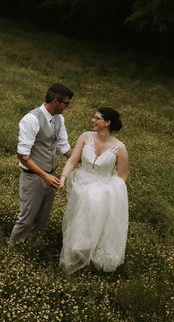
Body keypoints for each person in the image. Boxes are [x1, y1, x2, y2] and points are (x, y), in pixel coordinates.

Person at [59, 106, 128, 273]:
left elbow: (122, 176)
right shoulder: (85, 137)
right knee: (77, 221)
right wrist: (63, 178)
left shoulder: (119, 148)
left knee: (93, 220)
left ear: (107, 122)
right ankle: (74, 257)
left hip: (102, 189)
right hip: (80, 185)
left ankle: (88, 259)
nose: (93, 120)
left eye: (97, 118)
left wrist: (110, 192)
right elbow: (72, 160)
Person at [9, 83, 74, 244]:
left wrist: (86, 158)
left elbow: (64, 147)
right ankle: (12, 249)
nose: (68, 106)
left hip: (50, 176)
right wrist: (44, 175)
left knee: (42, 217)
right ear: (55, 102)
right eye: (66, 103)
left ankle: (31, 248)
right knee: (26, 217)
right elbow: (22, 154)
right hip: (33, 177)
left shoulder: (59, 118)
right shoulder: (31, 119)